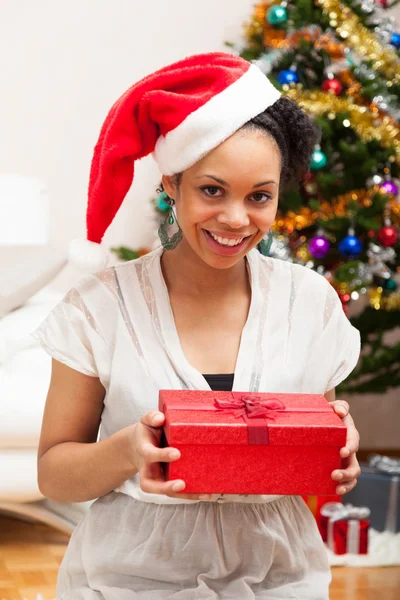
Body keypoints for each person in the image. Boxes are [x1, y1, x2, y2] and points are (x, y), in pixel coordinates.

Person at [33, 52, 361, 599]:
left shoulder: (310, 304)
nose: (236, 219)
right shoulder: (99, 308)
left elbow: (317, 445)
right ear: (172, 184)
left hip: (279, 576)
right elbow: (53, 474)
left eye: (259, 196)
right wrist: (127, 451)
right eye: (212, 190)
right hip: (130, 579)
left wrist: (338, 452)